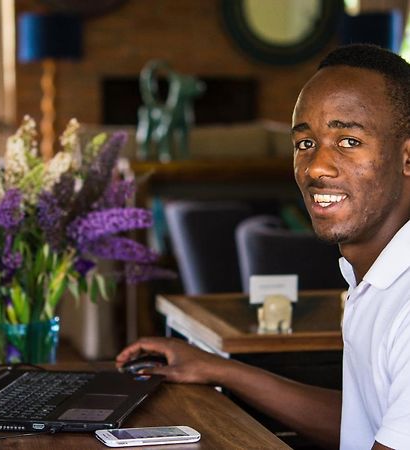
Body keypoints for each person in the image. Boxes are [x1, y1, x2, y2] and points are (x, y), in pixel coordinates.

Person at [116, 44, 410, 450]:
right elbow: (363, 426)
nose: (316, 167)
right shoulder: (374, 280)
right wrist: (217, 368)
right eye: (305, 144)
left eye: (348, 141)